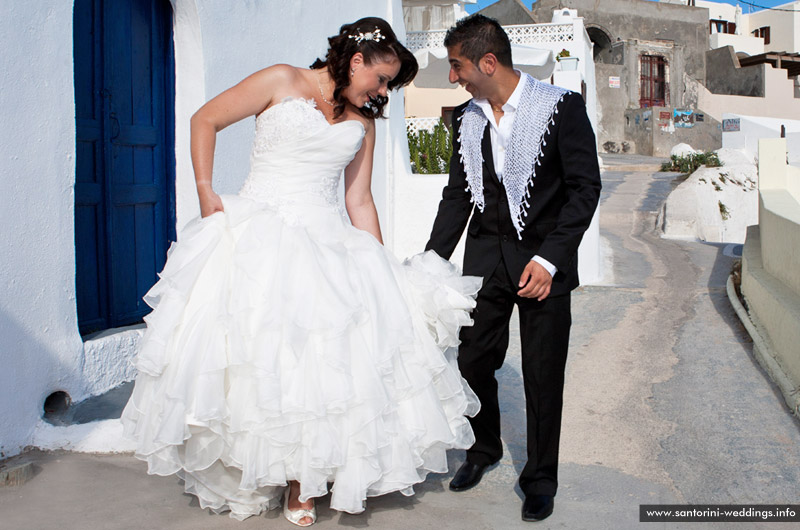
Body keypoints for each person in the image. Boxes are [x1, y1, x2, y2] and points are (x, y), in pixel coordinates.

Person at [121, 17, 481, 527]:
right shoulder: (280, 80)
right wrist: (205, 190)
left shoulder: (365, 123)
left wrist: (380, 265)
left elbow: (358, 199)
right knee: (259, 362)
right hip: (258, 234)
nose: (382, 91)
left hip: (327, 241)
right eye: (380, 79)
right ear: (356, 60)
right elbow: (205, 119)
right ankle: (256, 467)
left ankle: (303, 482)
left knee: (321, 365)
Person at [425, 14, 601, 523]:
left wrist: (550, 259)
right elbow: (458, 197)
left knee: (544, 375)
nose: (453, 76)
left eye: (457, 66)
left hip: (544, 265)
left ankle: (541, 478)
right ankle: (484, 450)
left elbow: (584, 190)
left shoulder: (561, 109)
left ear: (488, 61)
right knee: (473, 360)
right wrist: (431, 261)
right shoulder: (465, 119)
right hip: (485, 261)